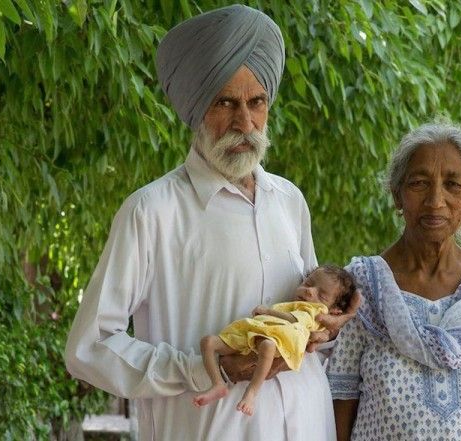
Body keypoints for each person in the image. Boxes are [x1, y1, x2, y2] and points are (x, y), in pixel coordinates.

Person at [64, 5, 358, 441]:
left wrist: (326, 327)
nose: (245, 123)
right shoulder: (151, 211)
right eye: (225, 102)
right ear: (196, 108)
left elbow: (308, 315)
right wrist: (204, 367)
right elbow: (90, 347)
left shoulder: (289, 200)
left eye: (256, 102)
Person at [326, 121, 461, 441]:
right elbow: (342, 399)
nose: (436, 200)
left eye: (453, 185)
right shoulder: (361, 285)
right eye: (419, 183)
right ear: (397, 195)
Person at [194, 265, 356, 416]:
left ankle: (251, 392)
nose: (309, 291)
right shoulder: (294, 305)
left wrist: (267, 311)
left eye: (322, 295)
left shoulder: (316, 311)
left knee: (267, 346)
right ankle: (217, 384)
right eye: (308, 283)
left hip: (277, 339)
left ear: (334, 312)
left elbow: (296, 320)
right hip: (258, 332)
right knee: (208, 342)